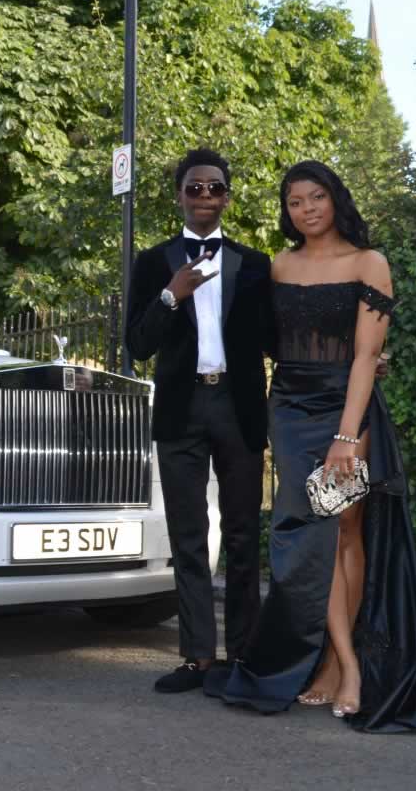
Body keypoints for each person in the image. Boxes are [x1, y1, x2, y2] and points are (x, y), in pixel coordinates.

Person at [203, 160, 416, 733]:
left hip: (346, 411)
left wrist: (345, 436)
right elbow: (265, 343)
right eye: (294, 202)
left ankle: (340, 664)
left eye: (316, 198)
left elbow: (364, 356)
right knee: (313, 539)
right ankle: (344, 663)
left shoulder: (369, 263)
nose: (306, 210)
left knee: (346, 531)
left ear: (336, 199)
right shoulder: (280, 266)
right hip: (289, 410)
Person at [125, 148, 273, 692]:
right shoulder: (152, 262)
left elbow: (279, 338)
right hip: (181, 412)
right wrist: (170, 296)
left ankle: (242, 655)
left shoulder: (254, 264)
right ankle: (196, 658)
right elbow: (137, 345)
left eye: (214, 187)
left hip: (237, 406)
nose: (205, 195)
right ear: (180, 196)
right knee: (189, 536)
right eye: (195, 187)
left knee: (240, 534)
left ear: (228, 197)